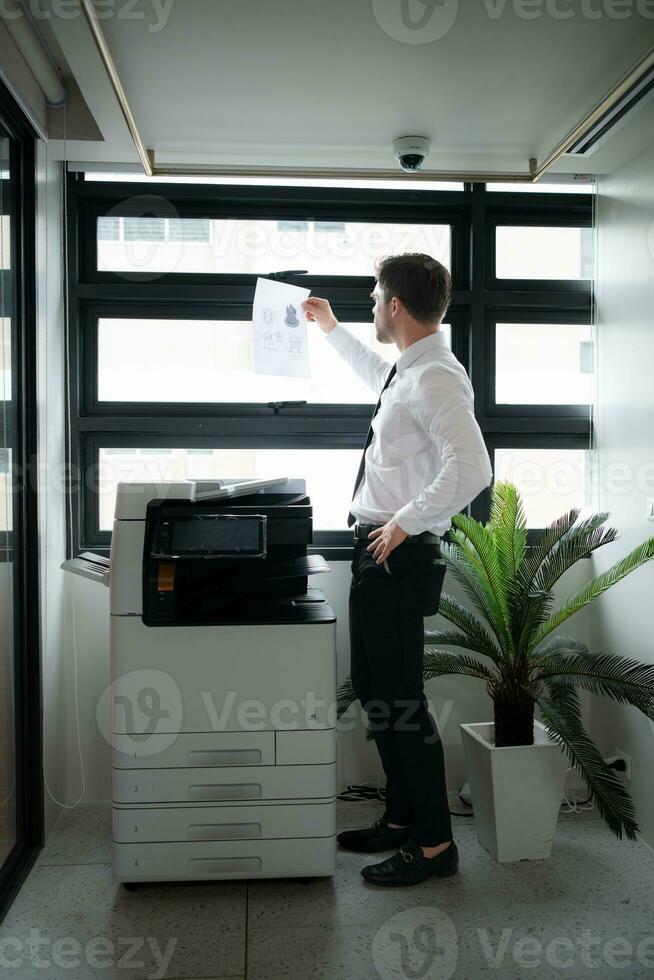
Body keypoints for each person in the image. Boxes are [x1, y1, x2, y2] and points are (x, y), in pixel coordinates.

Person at [302, 253, 492, 887]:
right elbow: (380, 377)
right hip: (379, 551)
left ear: (395, 307)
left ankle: (436, 846)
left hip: (397, 554)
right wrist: (330, 328)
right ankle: (403, 819)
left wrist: (406, 520)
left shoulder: (437, 376)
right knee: (378, 690)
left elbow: (472, 468)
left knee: (401, 703)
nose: (370, 304)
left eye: (374, 296)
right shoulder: (413, 370)